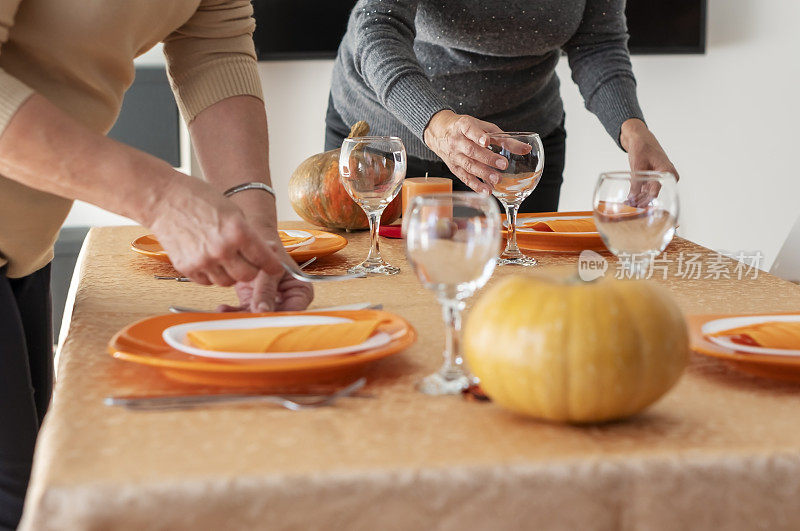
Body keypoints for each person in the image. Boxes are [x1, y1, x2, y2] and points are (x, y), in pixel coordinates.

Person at [0, 1, 313, 528]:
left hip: (21, 246)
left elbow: (215, 43)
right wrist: (161, 198)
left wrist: (255, 222)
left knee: (40, 492)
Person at [326, 0, 679, 213]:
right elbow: (377, 27)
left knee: (517, 299)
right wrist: (437, 125)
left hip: (515, 149)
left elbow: (598, 43)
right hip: (387, 138)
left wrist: (632, 128)